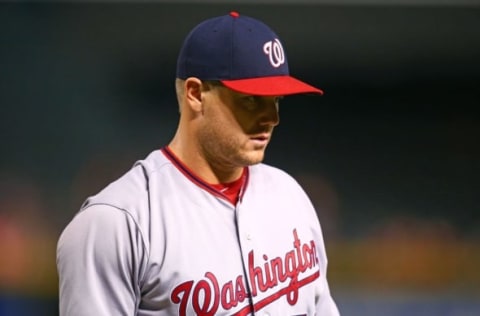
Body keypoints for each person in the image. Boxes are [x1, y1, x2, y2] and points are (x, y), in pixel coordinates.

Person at [57, 11, 340, 316]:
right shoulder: (118, 223)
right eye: (250, 100)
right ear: (195, 93)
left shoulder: (290, 196)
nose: (272, 118)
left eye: (276, 101)